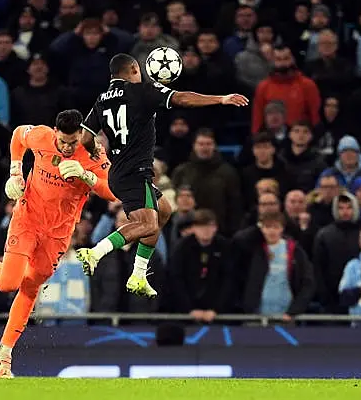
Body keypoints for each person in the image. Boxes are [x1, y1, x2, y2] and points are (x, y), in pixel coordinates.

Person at [0, 110, 115, 378]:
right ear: (56, 133)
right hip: (28, 218)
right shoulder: (42, 136)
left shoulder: (93, 153)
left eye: (72, 142)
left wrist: (88, 177)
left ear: (81, 134)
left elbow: (113, 191)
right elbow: (17, 136)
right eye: (62, 141)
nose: (66, 147)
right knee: (8, 283)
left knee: (31, 285)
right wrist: (15, 172)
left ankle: (5, 351)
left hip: (58, 233)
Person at [77, 53, 248, 297]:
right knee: (147, 223)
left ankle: (138, 275)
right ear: (135, 69)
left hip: (122, 172)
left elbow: (85, 138)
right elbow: (183, 99)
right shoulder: (143, 91)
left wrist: (95, 152)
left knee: (164, 211)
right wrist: (221, 99)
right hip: (134, 174)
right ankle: (95, 252)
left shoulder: (102, 99)